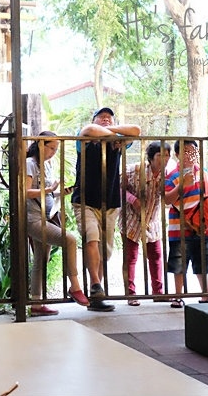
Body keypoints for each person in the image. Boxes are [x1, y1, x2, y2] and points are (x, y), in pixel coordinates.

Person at [71, 107, 141, 312]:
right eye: (102, 118)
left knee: (105, 251)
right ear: (94, 120)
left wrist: (114, 132)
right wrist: (115, 134)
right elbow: (89, 130)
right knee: (91, 237)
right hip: (85, 200)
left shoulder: (118, 142)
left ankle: (96, 296)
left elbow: (136, 129)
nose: (106, 120)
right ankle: (95, 285)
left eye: (109, 118)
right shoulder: (83, 138)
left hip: (110, 202)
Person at [24, 131, 90, 316]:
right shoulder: (30, 164)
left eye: (56, 149)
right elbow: (26, 192)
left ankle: (36, 304)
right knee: (69, 240)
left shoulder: (46, 165)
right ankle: (75, 286)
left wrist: (61, 192)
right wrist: (49, 189)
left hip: (45, 216)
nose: (53, 152)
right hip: (33, 219)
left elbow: (48, 193)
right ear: (40, 145)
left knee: (40, 260)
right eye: (51, 147)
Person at [164, 139, 208, 308]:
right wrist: (182, 185)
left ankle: (206, 293)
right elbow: (167, 200)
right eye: (186, 152)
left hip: (202, 226)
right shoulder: (172, 176)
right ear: (177, 155)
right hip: (179, 226)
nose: (191, 155)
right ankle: (177, 295)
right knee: (179, 262)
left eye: (194, 152)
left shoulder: (203, 172)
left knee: (203, 260)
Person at [119, 141, 171, 306]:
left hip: (152, 221)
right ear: (150, 157)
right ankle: (130, 294)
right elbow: (118, 187)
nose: (165, 159)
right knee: (130, 257)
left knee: (156, 256)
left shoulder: (167, 175)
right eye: (160, 155)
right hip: (131, 219)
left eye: (168, 155)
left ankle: (158, 292)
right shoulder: (135, 170)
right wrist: (132, 199)